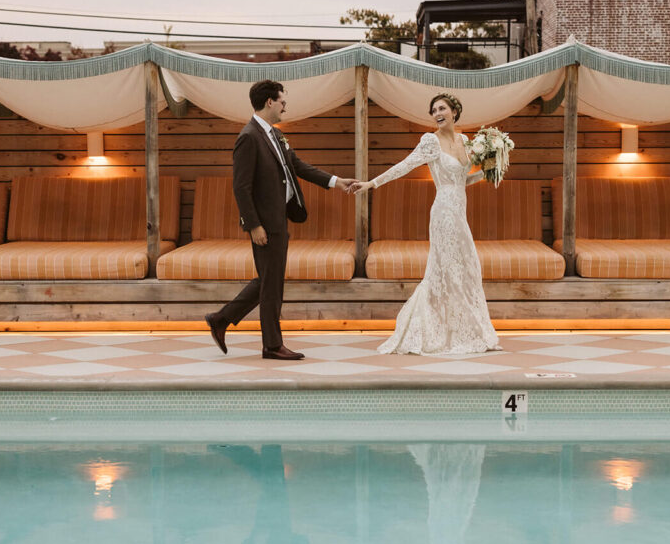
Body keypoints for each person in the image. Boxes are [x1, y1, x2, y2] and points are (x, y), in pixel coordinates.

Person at [205, 80, 356, 360]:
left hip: (279, 220)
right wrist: (253, 226)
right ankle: (271, 345)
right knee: (271, 284)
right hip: (264, 225)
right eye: (282, 101)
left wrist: (337, 182)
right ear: (270, 102)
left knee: (268, 281)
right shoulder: (248, 137)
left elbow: (298, 167)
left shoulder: (275, 134)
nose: (286, 104)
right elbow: (241, 186)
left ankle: (221, 319)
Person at [350, 94, 500, 355]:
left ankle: (463, 330)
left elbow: (462, 181)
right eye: (433, 110)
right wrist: (371, 183)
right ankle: (431, 330)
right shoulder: (430, 141)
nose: (437, 113)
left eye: (442, 108)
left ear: (454, 112)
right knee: (445, 271)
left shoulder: (465, 140)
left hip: (459, 212)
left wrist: (487, 172)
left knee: (467, 269)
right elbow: (404, 166)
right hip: (443, 213)